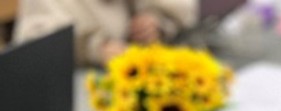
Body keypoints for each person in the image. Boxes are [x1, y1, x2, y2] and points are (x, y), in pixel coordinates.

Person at [12, 0, 198, 66]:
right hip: (75, 91)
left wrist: (155, 19)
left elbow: (178, 8)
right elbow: (36, 44)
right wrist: (94, 48)